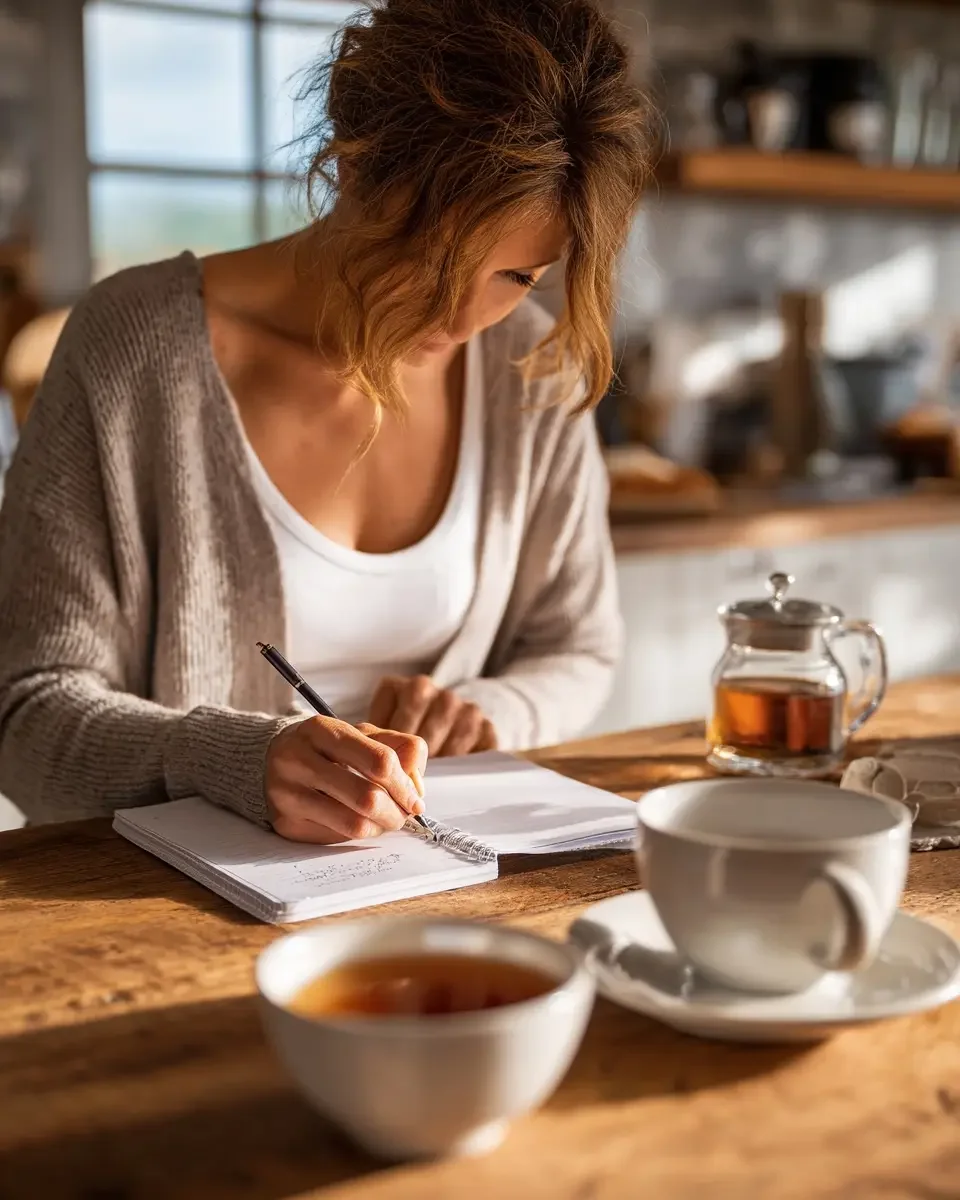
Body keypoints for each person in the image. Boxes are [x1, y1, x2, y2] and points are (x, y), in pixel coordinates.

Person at [0, 0, 647, 843]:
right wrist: (235, 759)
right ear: (351, 167)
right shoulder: (134, 345)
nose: (459, 317)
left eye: (516, 276)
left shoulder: (532, 370)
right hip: (169, 917)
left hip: (444, 889)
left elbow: (579, 650)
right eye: (435, 257)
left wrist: (487, 712)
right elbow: (25, 715)